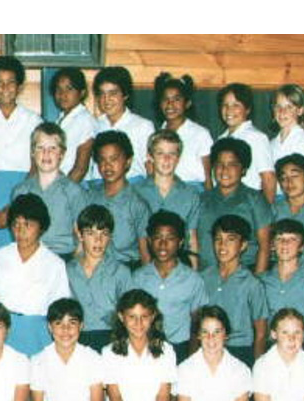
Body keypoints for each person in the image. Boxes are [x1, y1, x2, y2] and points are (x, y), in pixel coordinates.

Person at [0, 55, 43, 254]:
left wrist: (14, 205)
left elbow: (35, 167)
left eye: (11, 82)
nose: (5, 88)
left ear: (19, 87)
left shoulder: (33, 121)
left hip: (23, 191)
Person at [0, 194, 72, 356]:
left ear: (41, 227)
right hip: (3, 332)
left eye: (27, 224)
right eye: (15, 224)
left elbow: (59, 309)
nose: (20, 231)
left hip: (38, 334)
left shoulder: (54, 264)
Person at [30, 298, 105, 401]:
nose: (65, 330)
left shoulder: (93, 357)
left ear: (81, 326)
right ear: (50, 328)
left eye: (72, 323)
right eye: (59, 324)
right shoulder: (38, 360)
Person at [132, 210, 207, 359]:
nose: (163, 244)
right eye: (157, 237)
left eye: (170, 238)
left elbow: (197, 324)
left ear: (180, 242)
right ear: (149, 240)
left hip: (180, 348)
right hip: (145, 348)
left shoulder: (193, 279)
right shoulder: (138, 278)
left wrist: (191, 358)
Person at [9, 122, 88, 257]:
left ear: (62, 154)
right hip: (31, 255)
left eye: (52, 148)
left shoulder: (74, 192)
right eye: (40, 148)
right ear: (33, 152)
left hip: (63, 256)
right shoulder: (20, 191)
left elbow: (82, 239)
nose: (46, 154)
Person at [199, 215, 268, 367]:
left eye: (230, 239)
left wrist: (256, 366)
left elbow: (261, 333)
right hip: (208, 348)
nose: (222, 245)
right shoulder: (203, 278)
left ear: (243, 245)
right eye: (218, 239)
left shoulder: (252, 284)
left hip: (239, 351)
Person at [198, 137, 273, 274]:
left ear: (243, 170)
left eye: (232, 164)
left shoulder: (255, 200)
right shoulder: (202, 199)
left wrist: (256, 281)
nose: (224, 170)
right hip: (206, 275)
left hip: (244, 274)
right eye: (219, 164)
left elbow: (265, 245)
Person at [260, 219, 304, 357]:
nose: (285, 244)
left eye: (292, 239)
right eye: (279, 239)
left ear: (302, 246)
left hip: (303, 348)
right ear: (272, 245)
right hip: (270, 348)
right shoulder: (261, 282)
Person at [66, 205, 132, 351]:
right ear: (80, 235)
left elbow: (129, 314)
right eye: (90, 233)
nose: (98, 240)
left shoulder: (121, 272)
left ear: (111, 236)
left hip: (111, 339)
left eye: (104, 234)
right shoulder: (68, 270)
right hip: (76, 339)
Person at [83, 131, 153, 266]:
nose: (107, 165)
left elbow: (146, 255)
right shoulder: (89, 197)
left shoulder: (137, 204)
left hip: (127, 269)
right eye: (102, 160)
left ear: (128, 162)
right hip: (95, 268)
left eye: (114, 159)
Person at [133, 130, 202, 263]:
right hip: (144, 264)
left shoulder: (190, 194)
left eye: (172, 154)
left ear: (178, 158)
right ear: (150, 156)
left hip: (179, 265)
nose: (166, 159)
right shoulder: (136, 192)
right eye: (160, 153)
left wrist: (194, 273)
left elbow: (192, 238)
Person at [92, 66, 154, 184]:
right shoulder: (94, 125)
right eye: (102, 94)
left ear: (125, 95)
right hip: (98, 186)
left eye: (112, 93)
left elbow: (150, 167)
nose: (106, 100)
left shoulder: (143, 126)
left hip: (133, 186)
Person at [216, 83, 275, 205]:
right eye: (225, 105)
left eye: (236, 105)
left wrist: (266, 213)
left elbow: (268, 178)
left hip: (249, 203)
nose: (229, 110)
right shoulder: (220, 139)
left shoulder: (257, 138)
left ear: (247, 109)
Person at [268, 84, 304, 203]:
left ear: (300, 110)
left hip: (303, 202)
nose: (282, 112)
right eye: (278, 106)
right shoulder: (271, 144)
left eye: (289, 107)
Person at [153, 72, 212, 189]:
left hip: (193, 190)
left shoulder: (200, 134)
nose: (170, 104)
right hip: (164, 189)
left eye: (176, 99)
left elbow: (208, 176)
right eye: (166, 99)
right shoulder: (156, 136)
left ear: (187, 103)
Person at [49, 67, 95, 182]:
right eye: (58, 89)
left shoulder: (85, 120)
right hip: (58, 183)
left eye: (69, 89)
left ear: (82, 92)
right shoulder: (60, 120)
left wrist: (64, 193)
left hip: (75, 185)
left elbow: (81, 168)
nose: (62, 94)